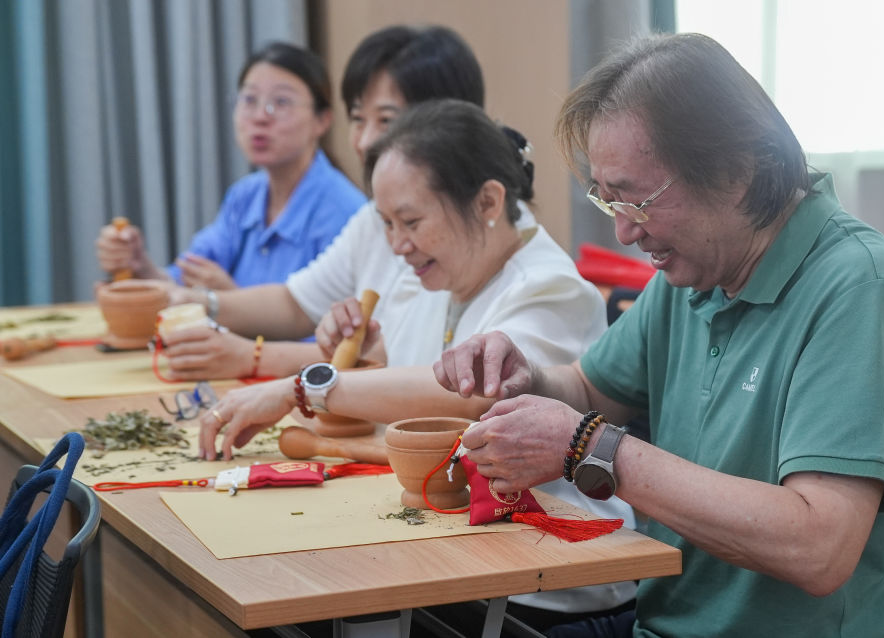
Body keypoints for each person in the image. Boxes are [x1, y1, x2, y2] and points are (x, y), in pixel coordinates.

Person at [433, 33, 884, 638]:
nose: (623, 232)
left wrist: (592, 448)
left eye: (638, 201)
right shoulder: (693, 272)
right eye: (607, 198)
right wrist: (530, 377)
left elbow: (817, 547)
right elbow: (591, 389)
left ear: (737, 171)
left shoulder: (859, 287)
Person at [199, 99, 639, 631]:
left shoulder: (551, 288)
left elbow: (468, 395)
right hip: (455, 556)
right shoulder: (432, 271)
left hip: (547, 588)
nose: (396, 245)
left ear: (488, 202)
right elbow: (407, 392)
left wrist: (306, 387)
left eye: (410, 222)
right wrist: (367, 358)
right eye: (386, 223)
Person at [157, 25, 490, 379]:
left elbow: (401, 359)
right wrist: (199, 301)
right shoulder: (368, 218)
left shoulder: (464, 238)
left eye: (387, 121)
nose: (364, 141)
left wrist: (252, 357)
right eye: (359, 119)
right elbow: (297, 302)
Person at [95, 41, 365, 290]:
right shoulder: (244, 196)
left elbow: (336, 333)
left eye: (281, 102)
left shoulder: (344, 213)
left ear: (322, 120)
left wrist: (230, 302)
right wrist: (140, 266)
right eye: (249, 100)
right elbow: (185, 278)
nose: (260, 117)